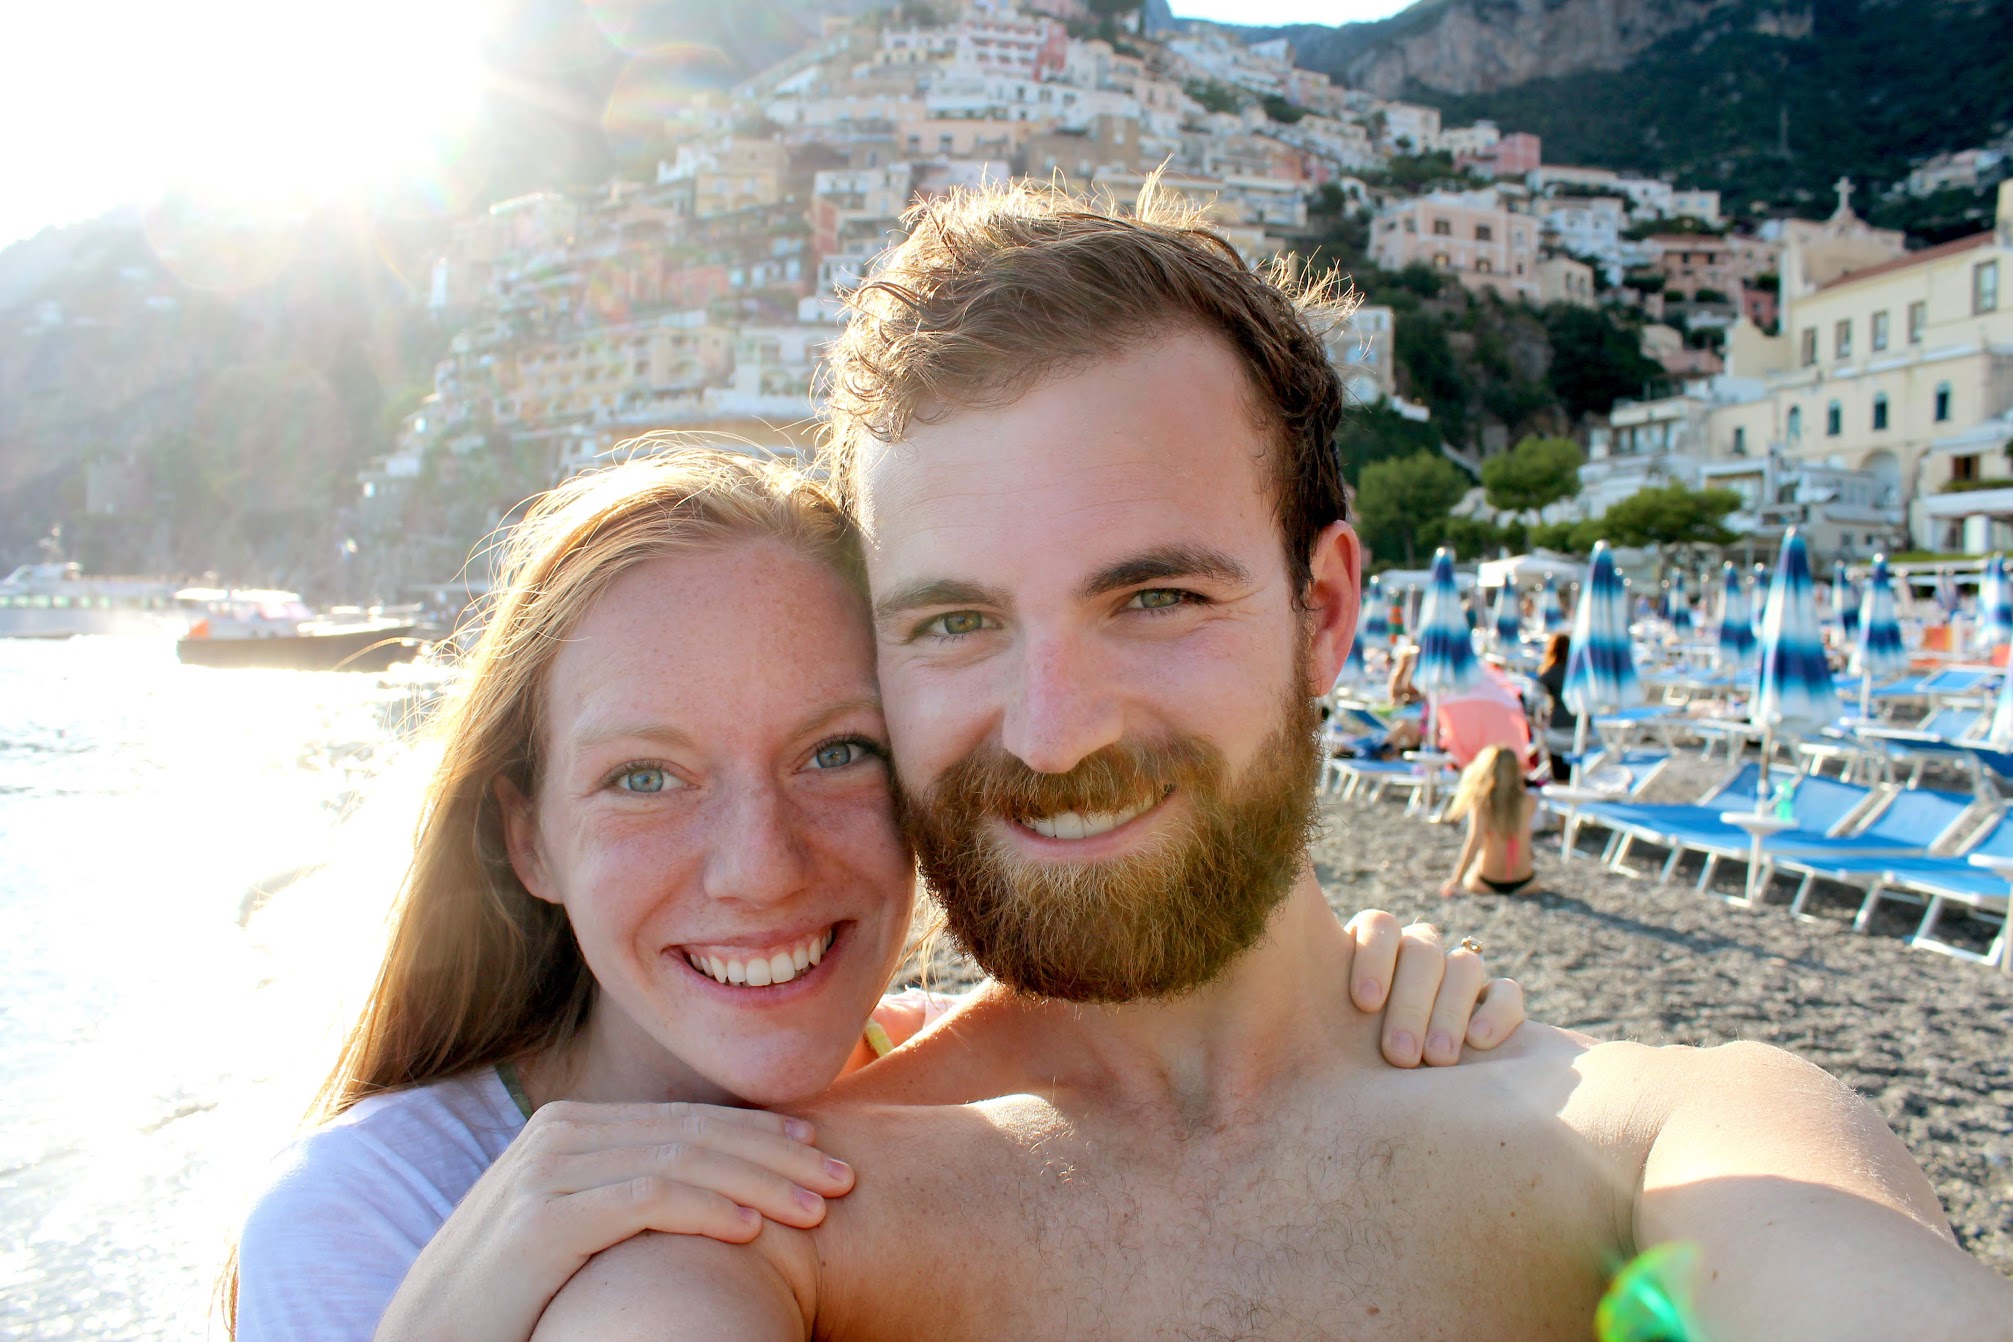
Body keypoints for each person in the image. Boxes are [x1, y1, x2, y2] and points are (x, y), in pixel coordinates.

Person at [536, 181, 2011, 1339]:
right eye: (956, 622)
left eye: (1155, 597)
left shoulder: (1679, 1140)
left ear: (1324, 613)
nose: (1055, 731)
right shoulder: (760, 1218)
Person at [229, 451, 1525, 1341]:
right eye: (644, 777)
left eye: (837, 751)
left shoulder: (985, 1091)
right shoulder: (369, 1213)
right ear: (530, 841)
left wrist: (1342, 1000)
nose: (759, 864)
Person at [1439, 745, 1538, 897]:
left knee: (1470, 876)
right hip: (1525, 882)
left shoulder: (1482, 803)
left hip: (1488, 881)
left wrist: (1455, 880)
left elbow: (1474, 841)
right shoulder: (1528, 801)